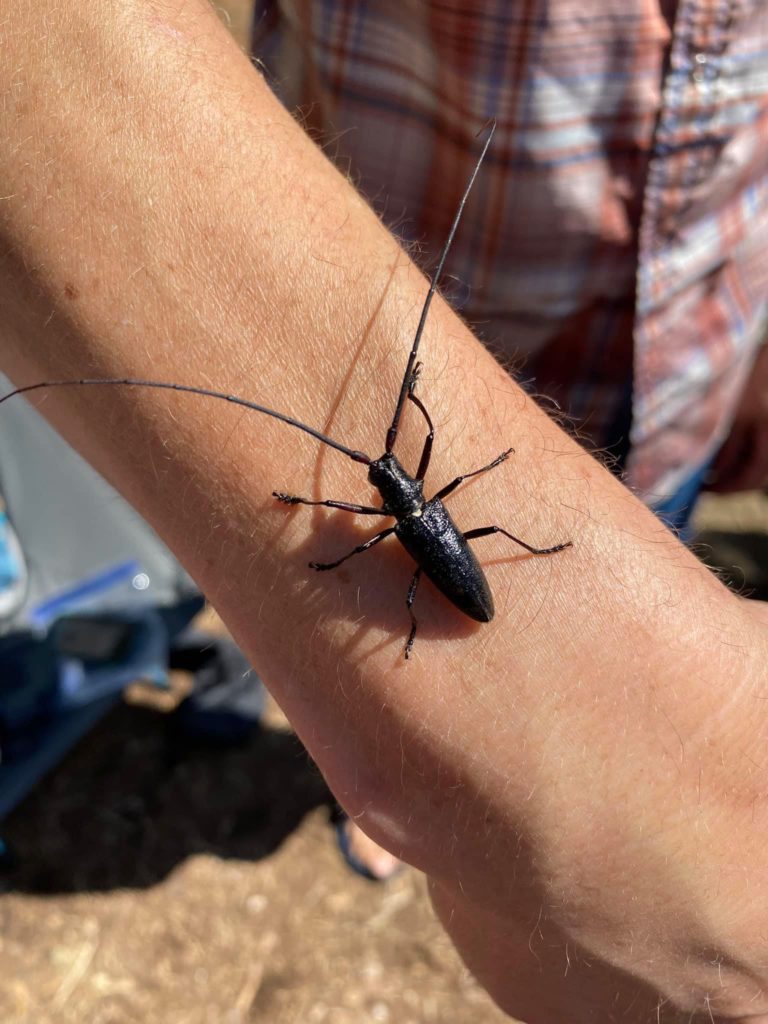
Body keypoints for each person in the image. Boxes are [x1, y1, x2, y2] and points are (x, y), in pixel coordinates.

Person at [1, 3, 767, 1020]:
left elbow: (394, 526)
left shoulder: (400, 520)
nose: (391, 484)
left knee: (475, 557)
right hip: (467, 540)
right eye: (389, 484)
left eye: (392, 482)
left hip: (669, 370)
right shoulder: (412, 512)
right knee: (440, 575)